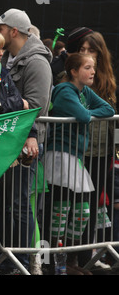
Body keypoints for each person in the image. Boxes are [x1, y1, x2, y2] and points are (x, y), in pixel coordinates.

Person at [0, 8, 53, 273]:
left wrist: (7, 105)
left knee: (18, 203)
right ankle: (9, 260)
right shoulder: (14, 59)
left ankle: (23, 261)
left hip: (25, 144)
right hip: (9, 140)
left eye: (1, 28)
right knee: (7, 202)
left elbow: (37, 106)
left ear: (13, 31)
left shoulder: (36, 62)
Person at [44, 53, 115, 275]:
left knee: (82, 211)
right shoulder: (65, 90)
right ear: (74, 71)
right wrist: (86, 115)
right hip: (59, 157)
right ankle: (53, 263)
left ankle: (71, 260)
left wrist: (87, 113)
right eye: (87, 67)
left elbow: (108, 110)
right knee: (59, 212)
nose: (93, 71)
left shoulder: (84, 91)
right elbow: (83, 117)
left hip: (75, 158)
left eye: (93, 67)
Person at [76, 31, 118, 270]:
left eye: (90, 50)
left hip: (104, 154)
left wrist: (117, 154)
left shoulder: (109, 82)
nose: (85, 54)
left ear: (100, 54)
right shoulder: (74, 78)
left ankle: (88, 259)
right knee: (77, 207)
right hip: (81, 153)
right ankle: (74, 259)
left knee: (94, 208)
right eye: (81, 50)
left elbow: (116, 123)